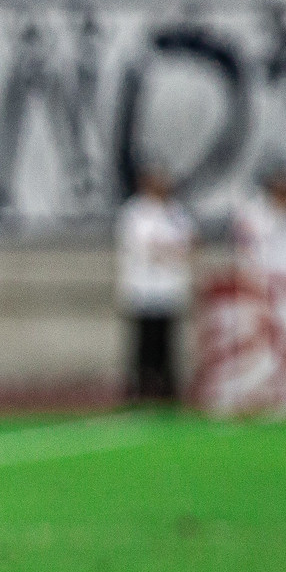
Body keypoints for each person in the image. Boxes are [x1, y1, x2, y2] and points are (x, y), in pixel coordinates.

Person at [115, 168, 194, 403]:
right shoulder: (134, 212)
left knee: (167, 342)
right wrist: (170, 249)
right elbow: (147, 247)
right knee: (143, 342)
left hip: (169, 287)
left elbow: (189, 243)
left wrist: (168, 249)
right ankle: (140, 389)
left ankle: (167, 389)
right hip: (142, 288)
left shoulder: (177, 212)